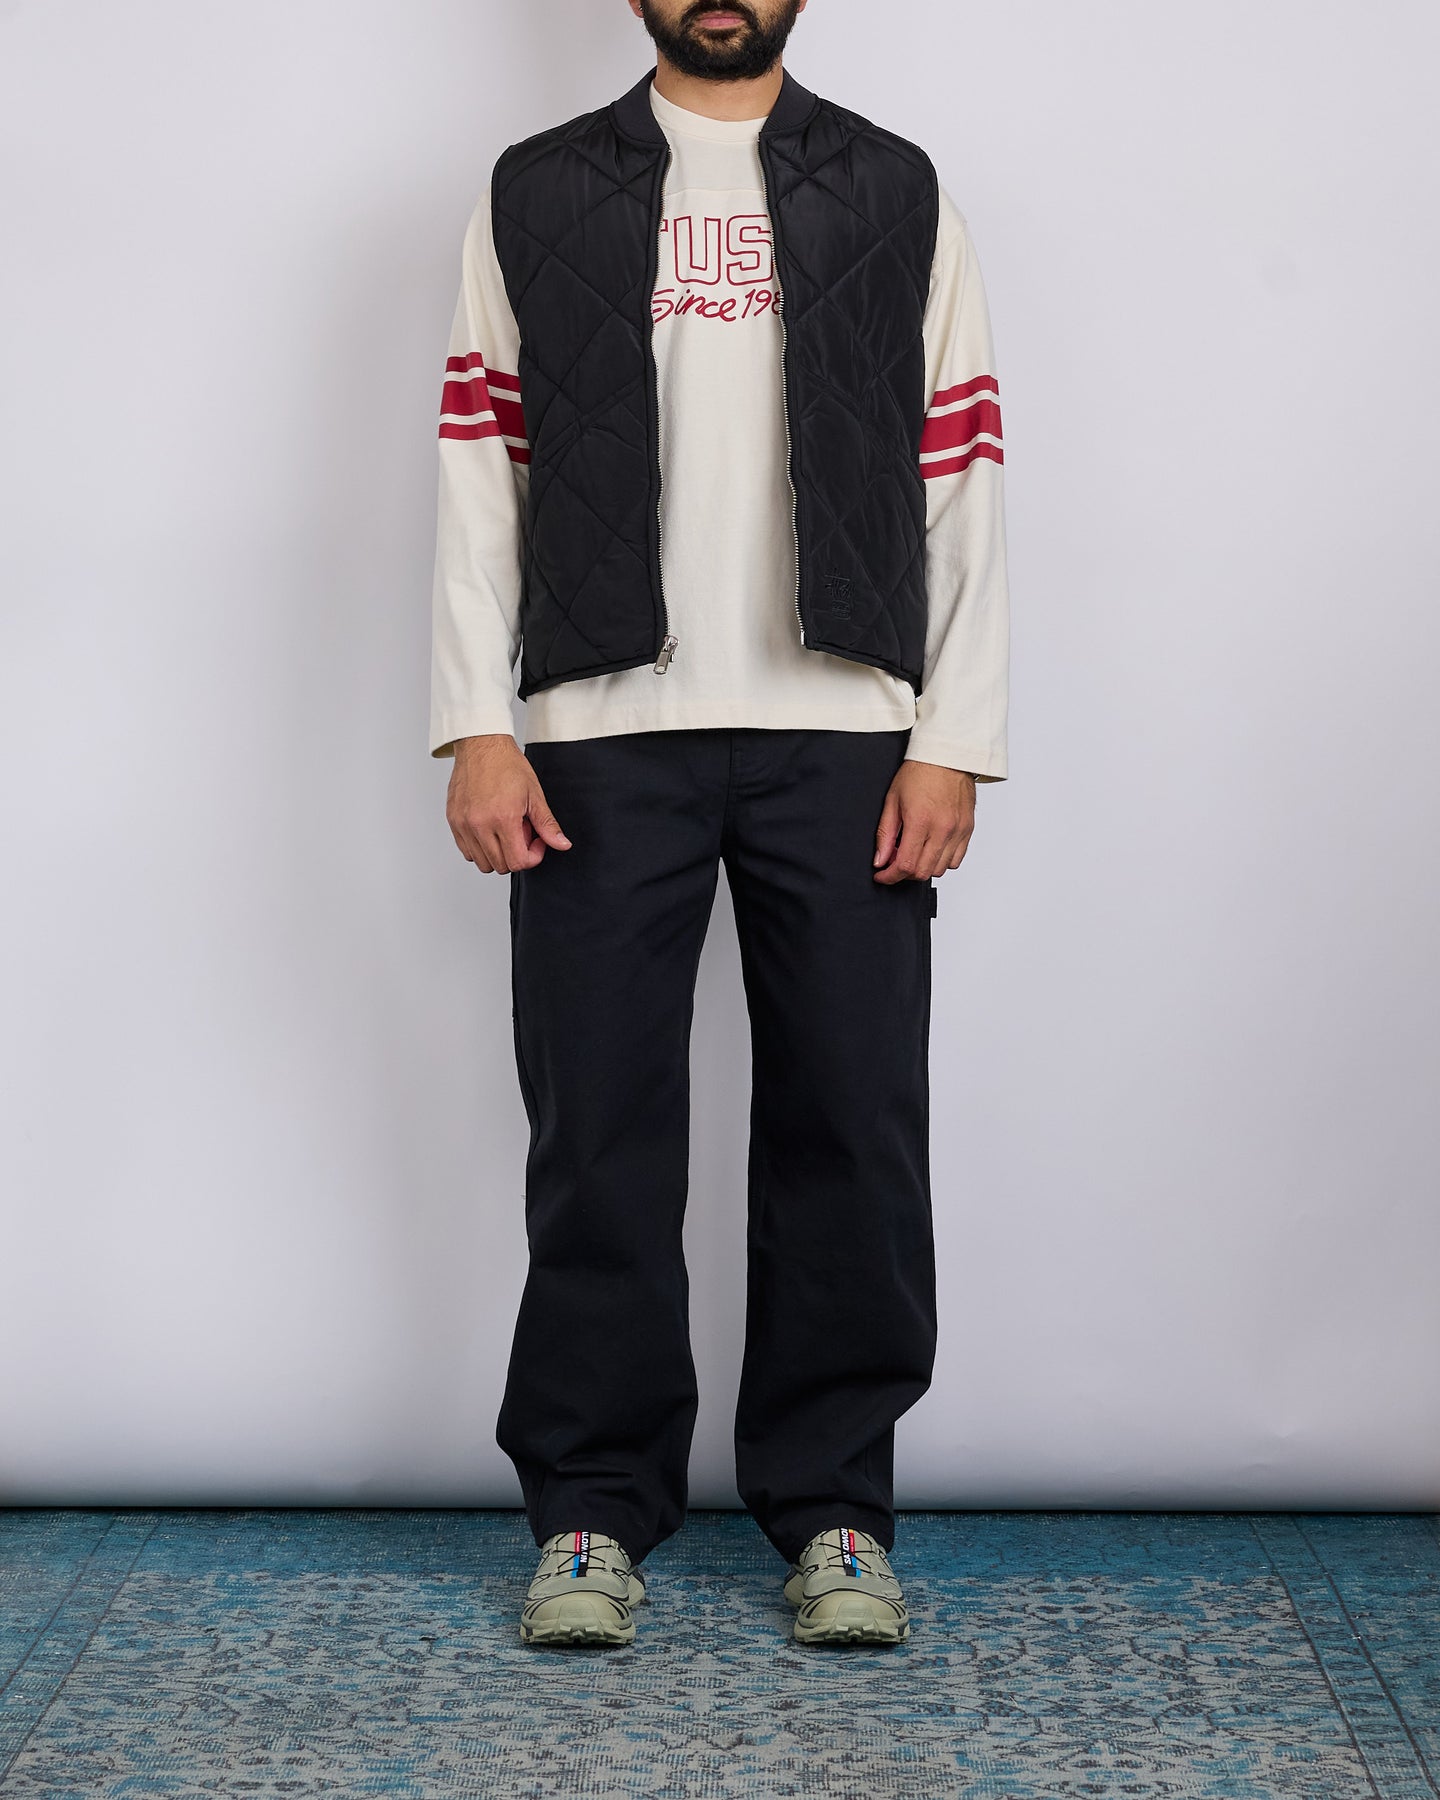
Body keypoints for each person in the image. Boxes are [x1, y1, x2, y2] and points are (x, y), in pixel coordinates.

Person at [428, 0, 1009, 1648]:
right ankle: (591, 1512)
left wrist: (955, 740)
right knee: (598, 1132)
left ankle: (835, 1514)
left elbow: (962, 460)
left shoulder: (892, 186)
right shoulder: (538, 187)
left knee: (852, 1125)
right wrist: (478, 721)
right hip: (596, 738)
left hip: (851, 736)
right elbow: (481, 457)